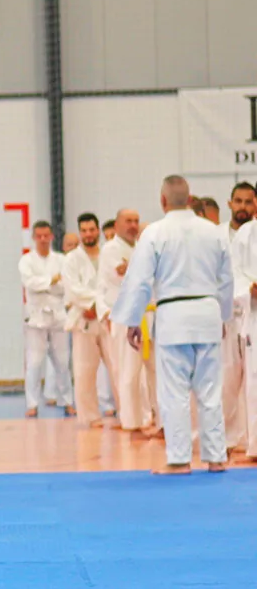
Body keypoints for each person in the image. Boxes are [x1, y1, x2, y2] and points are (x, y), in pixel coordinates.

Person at [112, 175, 232, 475]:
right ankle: (216, 457)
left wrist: (132, 320)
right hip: (207, 313)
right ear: (190, 199)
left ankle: (179, 460)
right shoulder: (214, 232)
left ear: (163, 200)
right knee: (210, 390)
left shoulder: (154, 233)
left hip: (174, 316)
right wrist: (224, 316)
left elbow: (139, 280)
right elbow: (226, 279)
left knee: (174, 391)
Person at [100, 209, 158, 436]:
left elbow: (137, 273)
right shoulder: (110, 249)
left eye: (136, 221)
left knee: (154, 371)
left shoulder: (138, 247)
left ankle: (155, 419)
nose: (133, 226)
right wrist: (139, 268)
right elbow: (124, 277)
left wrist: (134, 267)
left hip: (149, 314)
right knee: (128, 372)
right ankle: (131, 422)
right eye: (128, 221)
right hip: (125, 316)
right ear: (117, 225)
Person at [62, 213, 118, 428]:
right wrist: (92, 304)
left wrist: (100, 306)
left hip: (108, 317)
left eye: (92, 230)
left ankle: (128, 414)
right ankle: (91, 416)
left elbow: (113, 284)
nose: (88, 234)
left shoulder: (108, 254)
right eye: (84, 231)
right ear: (80, 233)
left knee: (117, 368)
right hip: (84, 319)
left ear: (98, 231)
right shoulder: (71, 259)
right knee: (85, 370)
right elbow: (72, 289)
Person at [19, 221, 73, 417]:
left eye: (46, 236)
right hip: (35, 317)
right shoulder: (26, 260)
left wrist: (47, 284)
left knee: (62, 362)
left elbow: (65, 286)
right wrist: (52, 280)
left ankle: (67, 400)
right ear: (33, 238)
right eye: (39, 236)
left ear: (51, 237)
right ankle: (32, 404)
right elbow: (30, 284)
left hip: (58, 315)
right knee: (34, 362)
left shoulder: (61, 260)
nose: (42, 239)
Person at [221, 183, 255, 456]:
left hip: (250, 313)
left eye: (248, 202)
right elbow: (229, 274)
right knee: (227, 379)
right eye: (238, 201)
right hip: (228, 314)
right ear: (230, 203)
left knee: (253, 381)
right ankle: (227, 440)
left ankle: (251, 441)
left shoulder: (248, 233)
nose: (243, 207)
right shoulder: (219, 235)